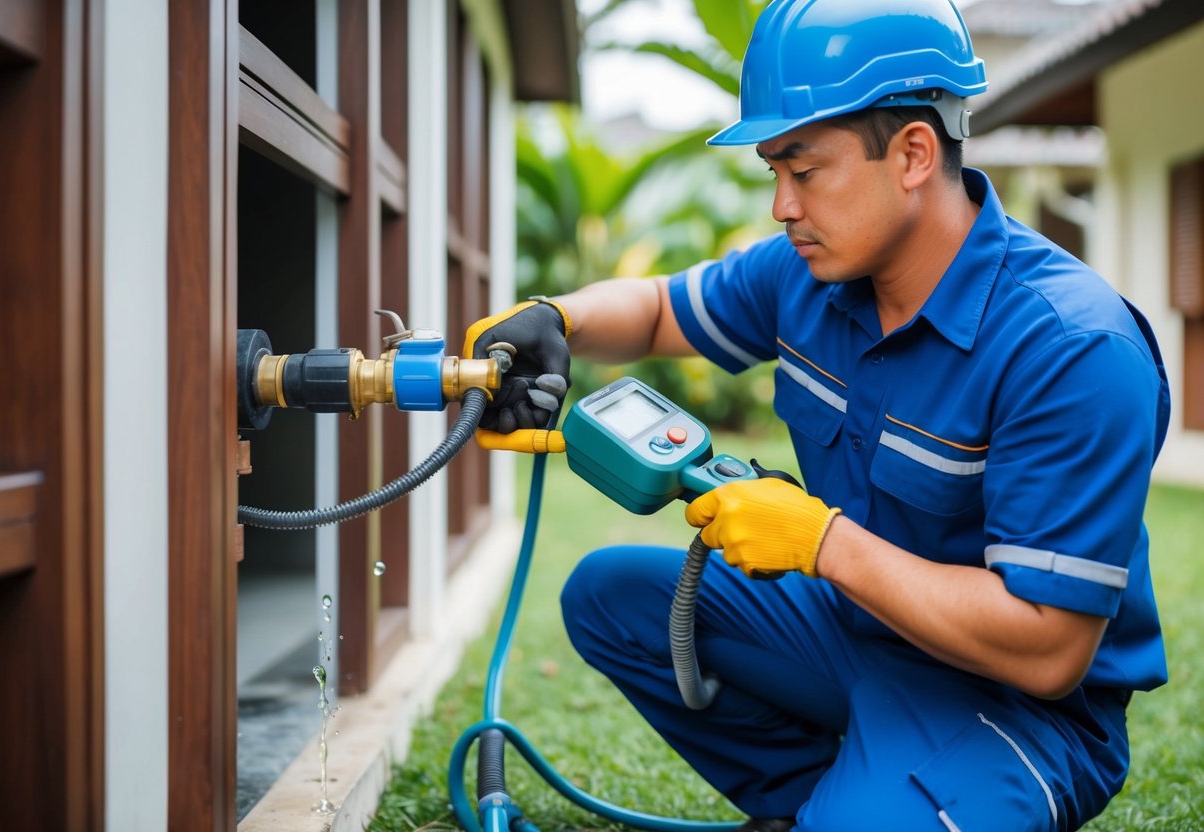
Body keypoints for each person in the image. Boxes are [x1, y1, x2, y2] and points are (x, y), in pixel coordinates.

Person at [463, 0, 1170, 828]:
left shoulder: (1070, 346)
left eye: (804, 171)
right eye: (774, 174)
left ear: (911, 153)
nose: (781, 207)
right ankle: (815, 798)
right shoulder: (811, 274)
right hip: (854, 634)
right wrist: (557, 317)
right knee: (611, 594)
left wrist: (820, 541)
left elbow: (1048, 648)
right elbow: (657, 311)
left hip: (1016, 708)